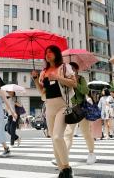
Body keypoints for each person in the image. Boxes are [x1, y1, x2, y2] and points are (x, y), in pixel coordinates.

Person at [31, 45, 77, 178]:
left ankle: (67, 168)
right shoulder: (43, 72)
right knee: (53, 139)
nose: (48, 54)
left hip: (63, 105)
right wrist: (35, 79)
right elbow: (42, 92)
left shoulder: (64, 67)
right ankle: (62, 169)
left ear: (56, 54)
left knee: (57, 136)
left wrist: (58, 78)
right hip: (49, 106)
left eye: (51, 52)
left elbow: (74, 84)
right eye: (46, 52)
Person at [63, 62, 96, 165]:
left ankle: (91, 153)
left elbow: (86, 90)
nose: (71, 70)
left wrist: (76, 84)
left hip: (81, 109)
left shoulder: (81, 78)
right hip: (70, 109)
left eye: (72, 68)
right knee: (68, 134)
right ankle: (63, 156)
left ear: (77, 70)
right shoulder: (65, 80)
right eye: (69, 68)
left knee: (86, 133)